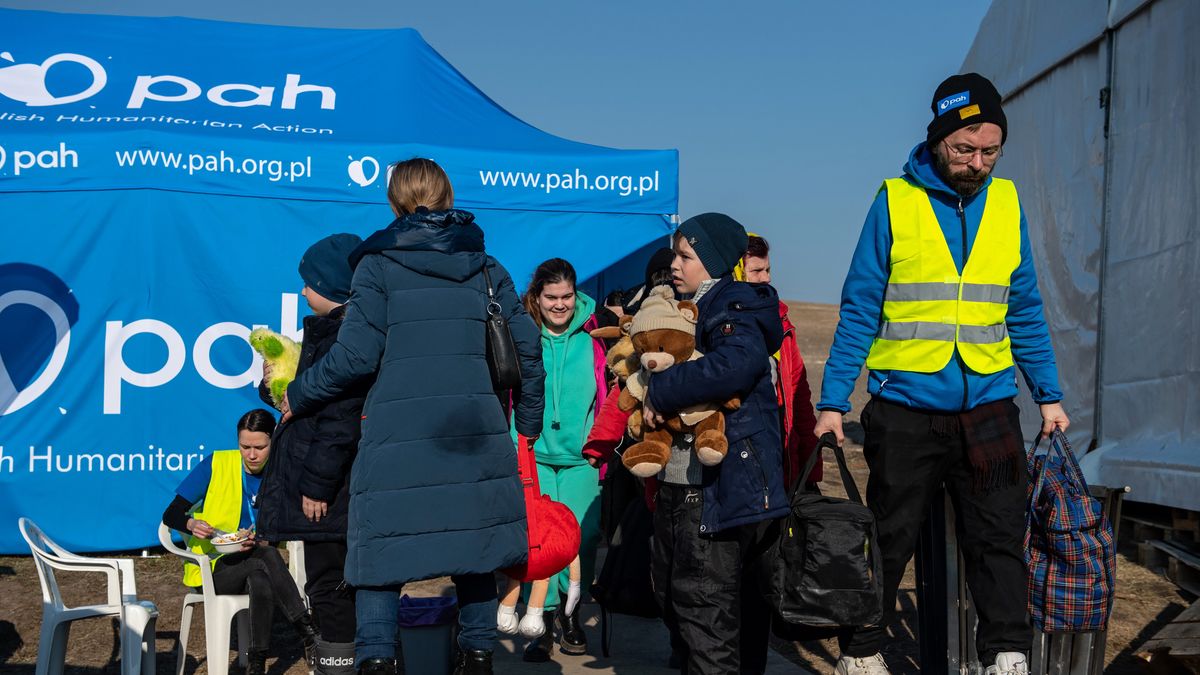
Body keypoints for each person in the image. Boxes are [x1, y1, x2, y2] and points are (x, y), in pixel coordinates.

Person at [815, 73, 1068, 675]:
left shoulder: (1007, 204)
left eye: (990, 152)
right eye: (965, 149)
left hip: (988, 406)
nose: (978, 163)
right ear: (937, 139)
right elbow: (859, 308)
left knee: (999, 537)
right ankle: (862, 652)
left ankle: (1006, 654)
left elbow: (1025, 308)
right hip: (904, 409)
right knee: (888, 538)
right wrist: (833, 403)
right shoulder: (894, 201)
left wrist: (1049, 396)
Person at [280, 157, 545, 675]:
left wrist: (301, 391)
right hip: (475, 435)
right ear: (447, 196)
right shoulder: (489, 269)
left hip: (396, 441)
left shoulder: (377, 266)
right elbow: (527, 349)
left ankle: (378, 663)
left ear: (395, 201)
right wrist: (528, 426)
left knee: (379, 560)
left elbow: (355, 357)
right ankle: (477, 656)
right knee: (477, 551)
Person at [642, 213, 788, 674]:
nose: (675, 265)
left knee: (704, 613)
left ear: (714, 261)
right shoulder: (693, 306)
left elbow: (736, 365)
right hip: (682, 486)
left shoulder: (731, 307)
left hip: (709, 491)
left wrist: (662, 390)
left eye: (686, 256)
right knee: (676, 599)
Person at [255, 232, 369, 674]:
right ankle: (340, 658)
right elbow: (304, 402)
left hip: (332, 492)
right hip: (326, 486)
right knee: (326, 581)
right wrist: (274, 387)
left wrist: (317, 483)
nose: (303, 292)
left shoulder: (345, 337)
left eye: (309, 283)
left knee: (331, 581)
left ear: (333, 287)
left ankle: (340, 662)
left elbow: (340, 417)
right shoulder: (329, 333)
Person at [161, 409, 318, 675]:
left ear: (274, 442)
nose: (252, 455)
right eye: (245, 446)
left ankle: (256, 663)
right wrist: (191, 524)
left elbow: (291, 525)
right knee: (265, 560)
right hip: (214, 569)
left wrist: (263, 539)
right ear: (238, 442)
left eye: (260, 447)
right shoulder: (217, 463)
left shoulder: (281, 472)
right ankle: (307, 630)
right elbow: (171, 513)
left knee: (260, 573)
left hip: (256, 562)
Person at [513, 258, 608, 662]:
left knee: (581, 540)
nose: (559, 304)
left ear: (577, 294)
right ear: (537, 297)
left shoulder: (596, 335)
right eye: (551, 297)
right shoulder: (523, 335)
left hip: (580, 459)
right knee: (542, 544)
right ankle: (545, 621)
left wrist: (600, 442)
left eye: (567, 296)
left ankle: (573, 609)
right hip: (533, 457)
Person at [735, 234, 820, 489]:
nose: (767, 278)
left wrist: (810, 469)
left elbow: (799, 396)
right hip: (740, 464)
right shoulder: (716, 325)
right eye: (757, 270)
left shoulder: (781, 321)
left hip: (782, 458)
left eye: (768, 269)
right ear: (736, 273)